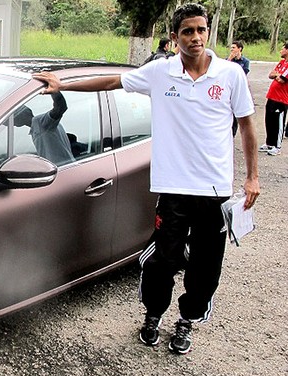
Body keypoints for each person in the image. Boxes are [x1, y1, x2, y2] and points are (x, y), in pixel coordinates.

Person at [34, 3, 259, 355]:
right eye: (188, 31)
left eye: (201, 30)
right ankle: (153, 315)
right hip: (172, 191)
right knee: (162, 262)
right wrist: (64, 85)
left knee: (205, 267)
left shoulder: (230, 75)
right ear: (175, 37)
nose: (196, 38)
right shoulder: (160, 72)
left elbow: (246, 125)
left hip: (214, 191)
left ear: (208, 33)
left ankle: (186, 322)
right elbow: (112, 81)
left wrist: (252, 177)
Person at [14, 92, 75, 166]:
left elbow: (61, 107)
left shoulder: (39, 122)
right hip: (60, 170)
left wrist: (53, 89)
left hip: (64, 170)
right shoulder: (36, 128)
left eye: (13, 116)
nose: (11, 122)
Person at [259, 42, 288, 156]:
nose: (281, 51)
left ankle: (277, 146)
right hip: (271, 96)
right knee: (269, 121)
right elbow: (271, 75)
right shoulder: (281, 63)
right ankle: (269, 143)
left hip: (281, 99)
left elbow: (282, 79)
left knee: (278, 122)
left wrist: (277, 75)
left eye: (283, 49)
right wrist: (277, 75)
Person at [227, 40, 251, 136]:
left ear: (239, 49)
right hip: (228, 89)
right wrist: (229, 59)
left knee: (237, 115)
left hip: (239, 89)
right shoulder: (228, 60)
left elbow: (242, 75)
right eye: (231, 48)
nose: (231, 50)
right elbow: (222, 72)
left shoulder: (245, 61)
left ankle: (233, 134)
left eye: (233, 48)